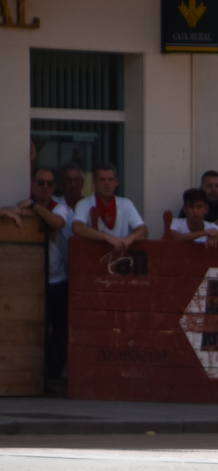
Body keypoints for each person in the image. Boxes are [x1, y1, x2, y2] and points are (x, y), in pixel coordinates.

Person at [8, 167, 74, 382]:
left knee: (59, 330)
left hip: (57, 279)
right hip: (31, 281)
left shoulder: (60, 207)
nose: (45, 187)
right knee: (32, 328)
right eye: (40, 183)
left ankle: (52, 376)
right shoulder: (24, 205)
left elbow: (57, 222)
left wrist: (34, 207)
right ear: (32, 184)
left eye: (49, 184)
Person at [71, 164, 147, 254]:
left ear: (116, 182)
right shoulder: (84, 204)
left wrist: (130, 238)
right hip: (92, 256)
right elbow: (77, 227)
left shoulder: (126, 204)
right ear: (94, 183)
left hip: (121, 257)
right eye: (102, 180)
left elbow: (143, 230)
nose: (107, 183)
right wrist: (107, 237)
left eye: (110, 179)